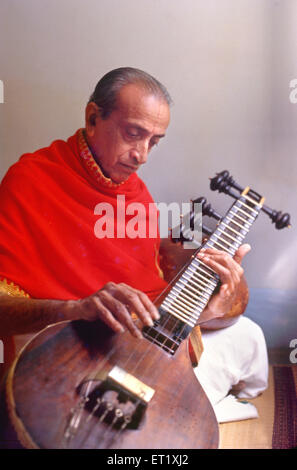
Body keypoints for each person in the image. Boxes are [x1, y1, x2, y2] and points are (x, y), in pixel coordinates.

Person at [0, 68, 268, 425]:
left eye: (154, 141)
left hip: (137, 343)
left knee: (248, 334)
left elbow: (149, 290)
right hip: (66, 348)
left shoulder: (136, 194)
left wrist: (214, 307)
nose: (142, 155)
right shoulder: (30, 180)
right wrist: (75, 308)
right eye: (133, 134)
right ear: (93, 117)